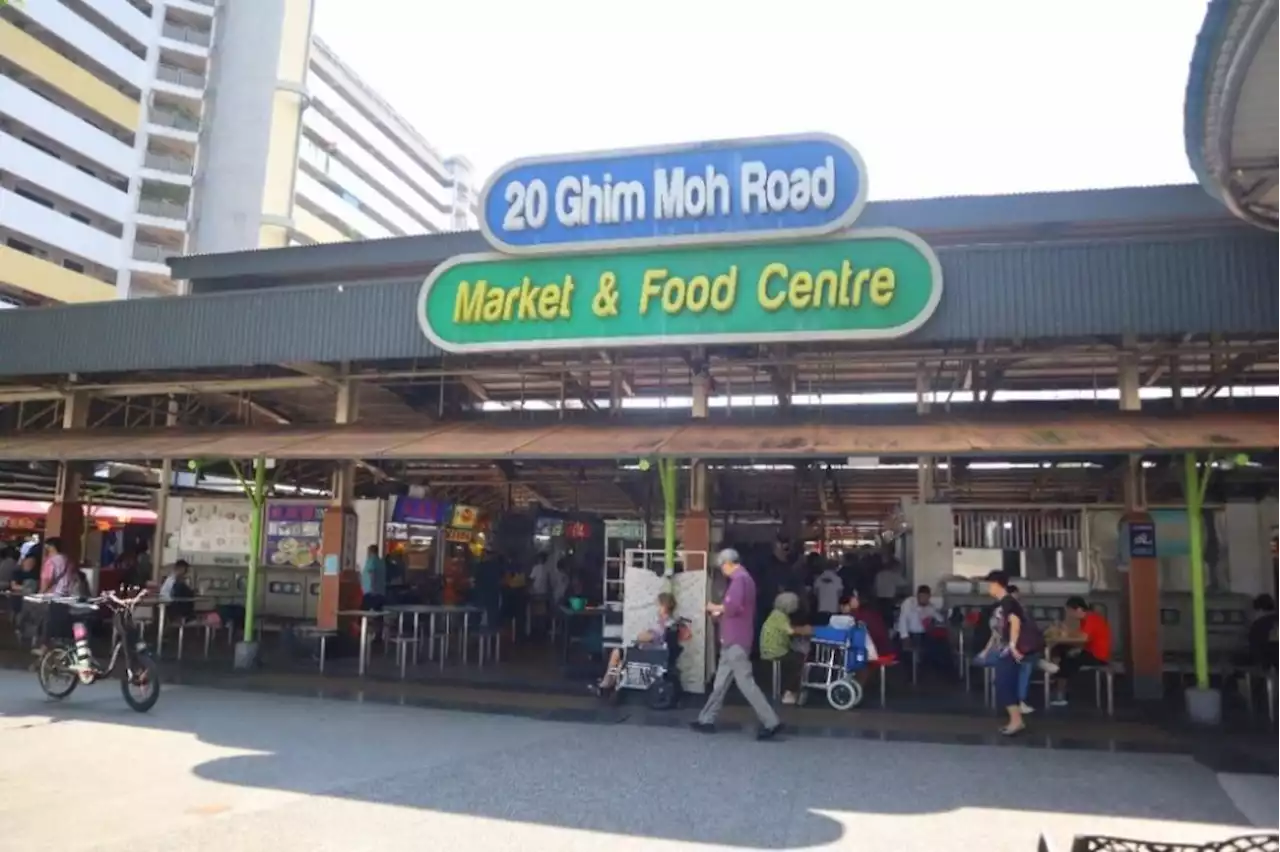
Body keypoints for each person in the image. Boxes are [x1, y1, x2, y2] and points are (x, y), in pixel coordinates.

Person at [693, 548, 783, 740]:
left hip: (736, 640)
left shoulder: (739, 580)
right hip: (734, 639)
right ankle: (706, 719)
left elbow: (732, 607)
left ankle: (771, 721)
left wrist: (713, 607)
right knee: (720, 683)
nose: (722, 570)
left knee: (746, 683)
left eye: (721, 566)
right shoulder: (746, 579)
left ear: (728, 563)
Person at [985, 570, 1038, 736]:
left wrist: (1013, 646)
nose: (987, 588)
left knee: (1004, 684)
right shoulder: (1005, 602)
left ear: (996, 584)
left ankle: (1016, 721)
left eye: (989, 584)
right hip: (1006, 649)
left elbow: (1014, 623)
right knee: (1005, 684)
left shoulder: (1008, 602)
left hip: (1009, 650)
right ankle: (1015, 720)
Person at [593, 592, 678, 695]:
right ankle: (609, 682)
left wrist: (640, 636)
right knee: (620, 658)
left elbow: (646, 637)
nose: (656, 607)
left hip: (649, 654)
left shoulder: (661, 624)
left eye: (658, 605)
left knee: (617, 653)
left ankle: (607, 683)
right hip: (654, 652)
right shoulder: (671, 622)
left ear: (663, 606)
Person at [1049, 595, 1112, 707]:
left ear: (1078, 609)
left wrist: (1066, 632)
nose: (1069, 615)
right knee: (1061, 649)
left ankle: (1060, 693)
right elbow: (1081, 637)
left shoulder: (1091, 619)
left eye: (1069, 611)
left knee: (1067, 660)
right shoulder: (1086, 620)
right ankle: (1057, 679)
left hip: (1098, 655)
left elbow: (1083, 637)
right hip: (1090, 651)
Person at [760, 592, 809, 705]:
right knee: (799, 659)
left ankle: (791, 690)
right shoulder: (780, 616)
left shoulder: (775, 614)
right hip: (775, 651)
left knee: (794, 657)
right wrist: (806, 630)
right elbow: (790, 631)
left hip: (770, 649)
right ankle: (789, 692)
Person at [897, 584, 950, 673]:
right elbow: (903, 619)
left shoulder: (930, 607)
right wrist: (905, 637)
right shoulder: (909, 603)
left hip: (923, 634)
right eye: (922, 596)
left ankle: (947, 672)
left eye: (926, 597)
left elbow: (940, 619)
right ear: (918, 595)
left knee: (942, 645)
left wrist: (933, 622)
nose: (924, 599)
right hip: (909, 634)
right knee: (907, 655)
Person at [873, 559, 904, 627]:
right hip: (890, 599)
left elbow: (875, 587)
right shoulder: (894, 575)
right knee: (890, 618)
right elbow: (904, 585)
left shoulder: (879, 574)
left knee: (881, 617)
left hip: (879, 598)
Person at [812, 560, 843, 624]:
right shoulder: (837, 579)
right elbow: (840, 594)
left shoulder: (819, 579)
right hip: (834, 609)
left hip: (821, 609)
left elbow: (815, 592)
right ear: (835, 567)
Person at [360, 545, 386, 610]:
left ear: (370, 552)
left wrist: (372, 588)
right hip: (380, 592)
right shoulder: (381, 562)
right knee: (377, 613)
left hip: (371, 592)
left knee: (368, 612)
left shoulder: (371, 560)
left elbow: (372, 574)